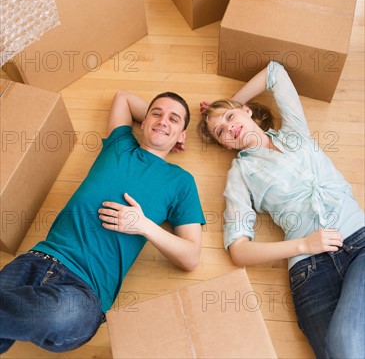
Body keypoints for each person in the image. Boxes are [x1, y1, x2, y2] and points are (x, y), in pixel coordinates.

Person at [0, 90, 206, 354]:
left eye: (174, 119)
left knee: (60, 317)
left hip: (83, 290)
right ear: (142, 122)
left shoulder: (181, 182)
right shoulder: (120, 143)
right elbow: (123, 97)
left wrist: (143, 225)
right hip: (36, 259)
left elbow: (191, 257)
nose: (163, 120)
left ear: (183, 136)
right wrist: (163, 124)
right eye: (156, 113)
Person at [199, 61, 364, 359]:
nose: (229, 127)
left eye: (231, 116)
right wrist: (303, 244)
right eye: (220, 131)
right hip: (310, 270)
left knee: (345, 340)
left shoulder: (295, 130)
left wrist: (226, 104)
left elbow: (274, 72)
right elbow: (238, 249)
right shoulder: (240, 173)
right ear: (224, 145)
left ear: (247, 110)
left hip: (359, 242)